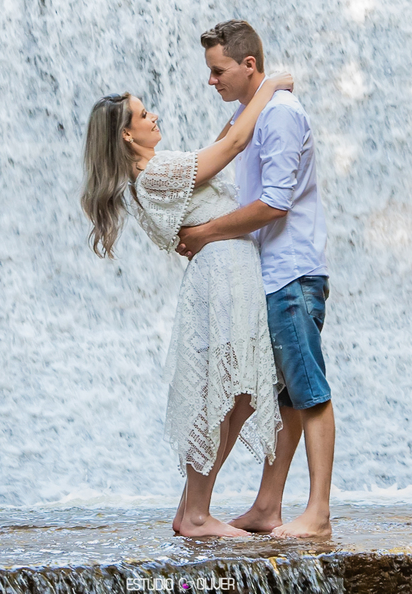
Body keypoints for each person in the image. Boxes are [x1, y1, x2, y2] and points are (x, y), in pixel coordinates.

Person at [80, 70, 294, 537]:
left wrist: (248, 104)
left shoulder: (158, 169)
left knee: (236, 394)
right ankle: (197, 514)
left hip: (224, 271)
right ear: (126, 134)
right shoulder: (155, 171)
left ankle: (191, 511)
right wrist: (270, 86)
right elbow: (235, 144)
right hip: (223, 276)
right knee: (232, 394)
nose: (152, 115)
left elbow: (221, 144)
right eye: (142, 114)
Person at [176, 20, 334, 540]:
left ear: (248, 66)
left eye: (217, 71)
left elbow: (274, 203)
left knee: (308, 391)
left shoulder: (280, 116)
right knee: (285, 396)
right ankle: (268, 507)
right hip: (270, 278)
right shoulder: (254, 112)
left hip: (291, 276)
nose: (211, 81)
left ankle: (317, 513)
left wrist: (206, 234)